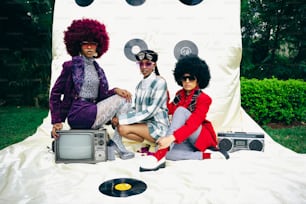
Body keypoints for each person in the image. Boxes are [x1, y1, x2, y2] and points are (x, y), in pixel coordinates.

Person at [49, 18, 134, 160]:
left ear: (98, 46)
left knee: (124, 96)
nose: (89, 47)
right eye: (85, 44)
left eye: (93, 44)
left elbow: (102, 98)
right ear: (79, 46)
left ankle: (114, 141)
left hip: (94, 110)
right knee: (123, 100)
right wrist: (57, 121)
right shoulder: (70, 66)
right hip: (78, 113)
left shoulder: (98, 69)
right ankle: (116, 142)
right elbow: (55, 94)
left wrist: (115, 90)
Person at [139, 54, 229, 172]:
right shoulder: (179, 95)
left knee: (180, 111)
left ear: (198, 79)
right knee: (166, 152)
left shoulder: (204, 99)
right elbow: (168, 110)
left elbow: (192, 125)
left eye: (191, 78)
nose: (187, 82)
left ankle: (159, 155)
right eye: (184, 78)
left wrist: (170, 138)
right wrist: (162, 90)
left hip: (199, 136)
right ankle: (208, 155)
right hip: (183, 138)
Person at [111, 50, 170, 151]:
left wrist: (121, 119)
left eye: (148, 64)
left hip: (158, 126)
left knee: (123, 128)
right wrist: (119, 117)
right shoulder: (140, 85)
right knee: (121, 126)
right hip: (145, 123)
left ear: (154, 65)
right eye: (141, 64)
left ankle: (157, 142)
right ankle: (148, 144)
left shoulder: (160, 82)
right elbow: (136, 109)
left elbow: (150, 111)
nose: (144, 67)